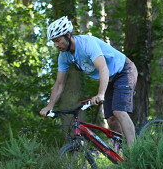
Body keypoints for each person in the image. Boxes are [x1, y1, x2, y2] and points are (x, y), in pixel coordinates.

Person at [39, 16, 138, 148]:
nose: (56, 45)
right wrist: (50, 105)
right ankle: (122, 150)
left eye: (58, 40)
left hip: (124, 70)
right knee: (111, 119)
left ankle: (135, 153)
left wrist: (100, 94)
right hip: (110, 78)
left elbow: (103, 68)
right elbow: (59, 83)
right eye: (53, 42)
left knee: (119, 111)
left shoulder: (86, 44)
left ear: (68, 35)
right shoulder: (64, 56)